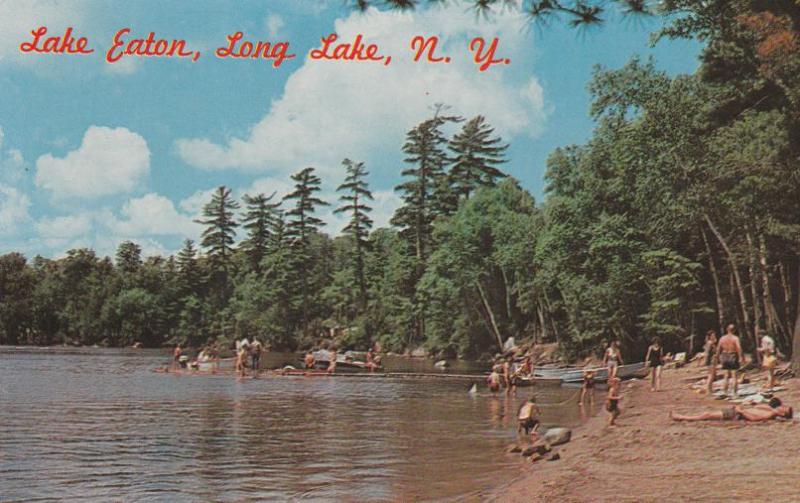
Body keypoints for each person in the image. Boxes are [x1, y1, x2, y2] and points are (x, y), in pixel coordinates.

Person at [670, 397, 793, 423]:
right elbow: (758, 407)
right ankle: (682, 417)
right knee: (708, 413)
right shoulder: (771, 409)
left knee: (706, 414)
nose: (781, 407)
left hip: (737, 414)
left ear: (782, 414)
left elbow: (754, 418)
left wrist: (741, 411)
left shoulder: (769, 414)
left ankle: (681, 417)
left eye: (783, 409)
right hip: (738, 411)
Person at [716, 324, 745, 397]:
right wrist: (741, 357)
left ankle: (725, 392)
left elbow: (718, 348)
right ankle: (734, 393)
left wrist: (717, 356)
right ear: (734, 330)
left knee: (726, 375)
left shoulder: (722, 338)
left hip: (724, 355)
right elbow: (739, 348)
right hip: (733, 355)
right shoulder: (735, 338)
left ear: (727, 329)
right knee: (734, 375)